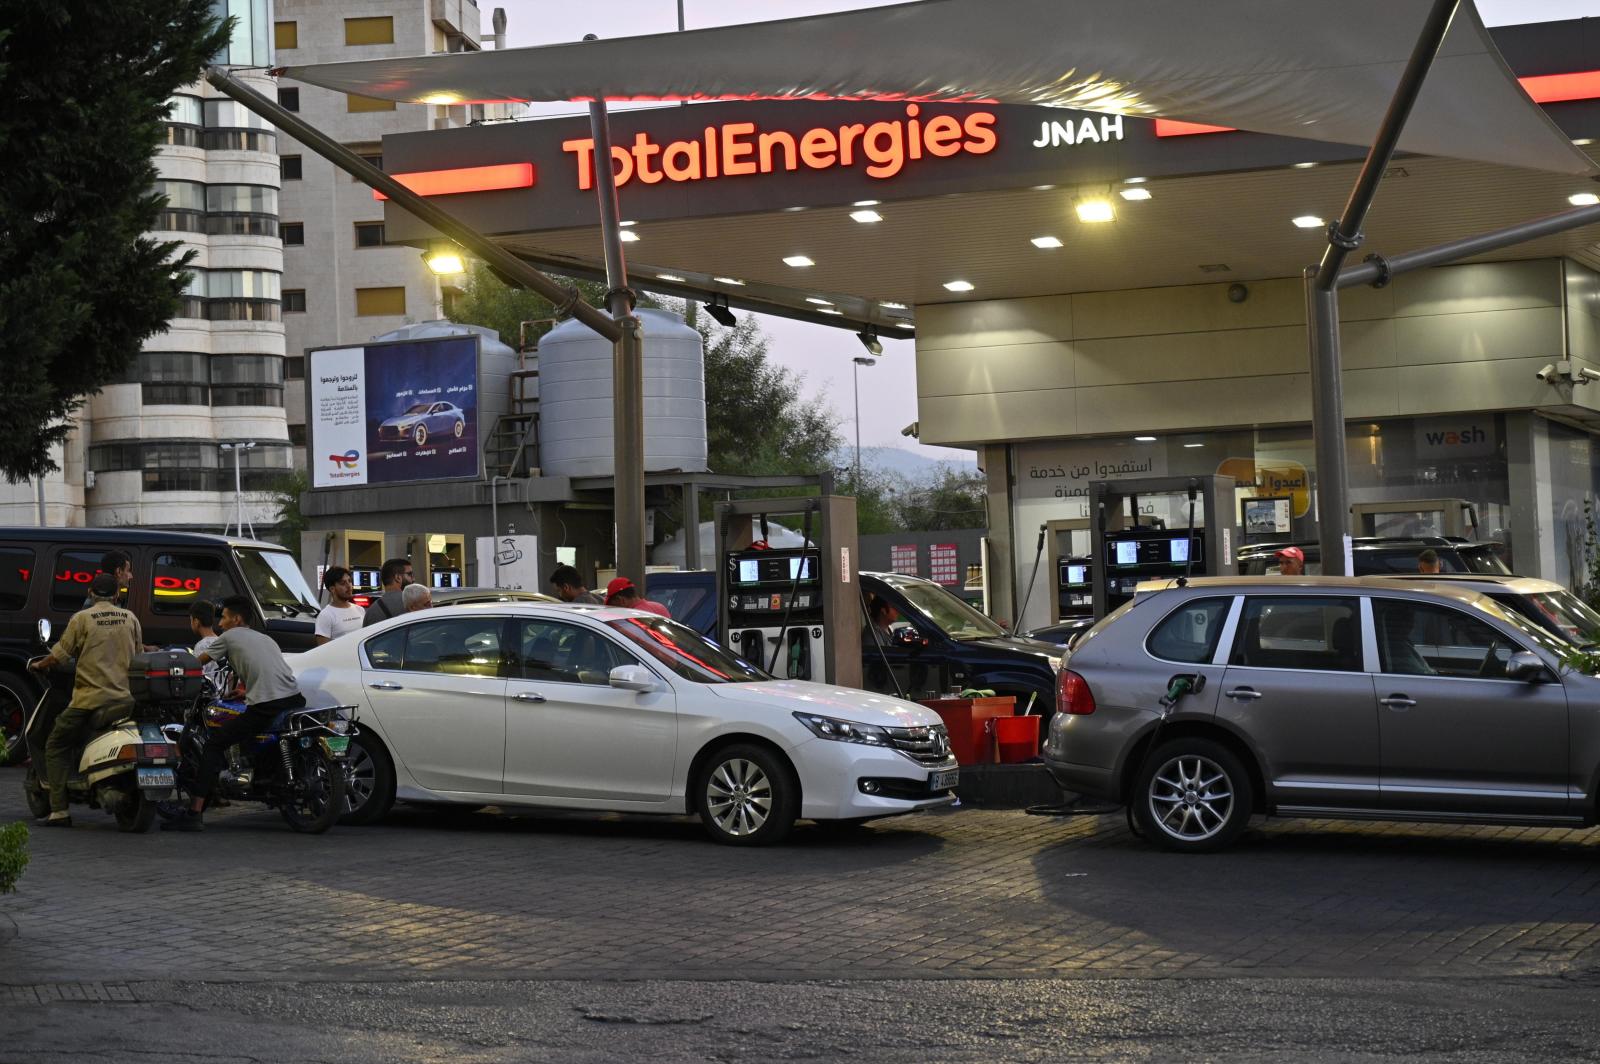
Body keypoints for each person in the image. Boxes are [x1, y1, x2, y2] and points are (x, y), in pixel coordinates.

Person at [166, 595, 304, 832]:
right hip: (293, 698)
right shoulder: (266, 638)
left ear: (237, 619)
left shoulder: (229, 637)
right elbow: (267, 672)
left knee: (213, 745)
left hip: (266, 705)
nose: (220, 623)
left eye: (224, 618)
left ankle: (194, 812)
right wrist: (244, 691)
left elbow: (197, 664)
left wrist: (171, 672)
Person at [28, 573, 142, 827]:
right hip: (125, 700)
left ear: (90, 592)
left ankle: (59, 811)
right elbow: (139, 654)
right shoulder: (130, 618)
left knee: (55, 744)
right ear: (116, 594)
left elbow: (59, 655)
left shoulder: (82, 618)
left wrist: (40, 665)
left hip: (89, 700)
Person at [315, 566, 365, 644]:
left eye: (349, 581)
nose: (349, 586)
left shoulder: (360, 610)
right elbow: (323, 649)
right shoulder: (325, 615)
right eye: (343, 583)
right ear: (332, 589)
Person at [362, 557, 415, 627]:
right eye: (409, 574)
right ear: (398, 577)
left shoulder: (371, 611)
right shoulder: (414, 603)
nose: (413, 579)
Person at [190, 601, 223, 689]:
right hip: (226, 694)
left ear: (196, 622)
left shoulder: (201, 646)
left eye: (191, 620)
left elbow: (197, 675)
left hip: (211, 695)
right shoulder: (222, 642)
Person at [604, 577, 670, 617]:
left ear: (622, 600)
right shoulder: (660, 607)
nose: (614, 610)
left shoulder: (631, 617)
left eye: (613, 606)